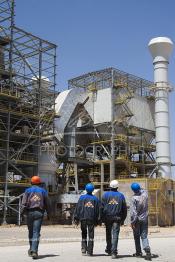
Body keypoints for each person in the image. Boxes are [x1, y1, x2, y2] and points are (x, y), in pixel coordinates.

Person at [21, 176, 50, 259]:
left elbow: (23, 203)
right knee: (36, 232)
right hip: (39, 213)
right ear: (39, 183)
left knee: (31, 231)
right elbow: (48, 203)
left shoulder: (27, 191)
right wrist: (49, 214)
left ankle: (31, 249)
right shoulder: (43, 191)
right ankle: (34, 251)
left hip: (29, 213)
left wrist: (22, 213)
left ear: (31, 182)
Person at [101, 180, 127, 259]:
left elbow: (101, 208)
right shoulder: (121, 195)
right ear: (117, 187)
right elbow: (124, 209)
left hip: (107, 218)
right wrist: (123, 219)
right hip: (117, 218)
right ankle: (114, 252)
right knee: (115, 235)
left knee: (108, 234)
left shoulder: (105, 195)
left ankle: (109, 249)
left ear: (110, 186)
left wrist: (102, 219)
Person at [73, 183, 100, 256]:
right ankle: (90, 251)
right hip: (91, 219)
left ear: (86, 189)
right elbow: (98, 211)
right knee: (91, 235)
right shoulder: (95, 199)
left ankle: (84, 249)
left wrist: (76, 218)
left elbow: (77, 208)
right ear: (93, 190)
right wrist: (98, 220)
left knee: (84, 234)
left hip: (83, 218)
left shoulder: (82, 198)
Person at [130, 182, 152, 261]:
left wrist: (132, 222)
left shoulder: (134, 198)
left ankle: (138, 253)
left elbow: (134, 212)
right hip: (145, 218)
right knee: (144, 235)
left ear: (133, 190)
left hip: (137, 220)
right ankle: (147, 250)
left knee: (136, 236)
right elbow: (144, 190)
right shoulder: (145, 194)